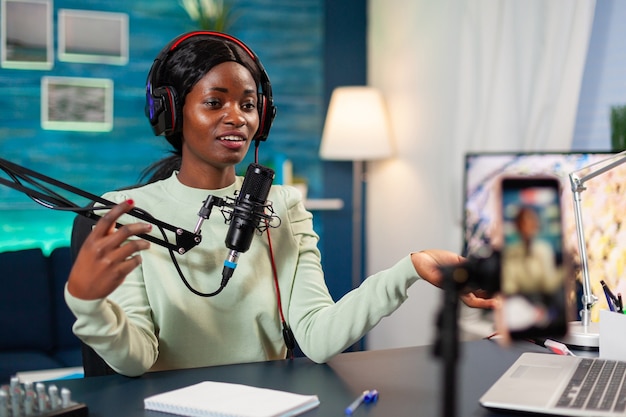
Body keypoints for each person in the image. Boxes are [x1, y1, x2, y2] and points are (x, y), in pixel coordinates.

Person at [65, 31, 495, 377]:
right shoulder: (124, 211)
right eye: (215, 102)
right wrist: (89, 304)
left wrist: (410, 268)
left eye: (248, 105)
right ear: (171, 114)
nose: (238, 117)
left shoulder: (282, 204)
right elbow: (136, 359)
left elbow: (318, 336)